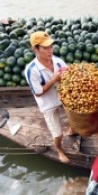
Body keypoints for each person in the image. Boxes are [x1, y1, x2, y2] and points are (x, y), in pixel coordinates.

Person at [24, 31, 70, 164]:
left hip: (63, 97)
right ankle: (60, 150)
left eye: (51, 46)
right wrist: (55, 79)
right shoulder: (31, 70)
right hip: (47, 103)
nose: (50, 51)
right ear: (35, 49)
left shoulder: (58, 62)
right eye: (45, 48)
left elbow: (68, 75)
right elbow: (38, 93)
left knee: (73, 117)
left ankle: (72, 129)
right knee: (57, 134)